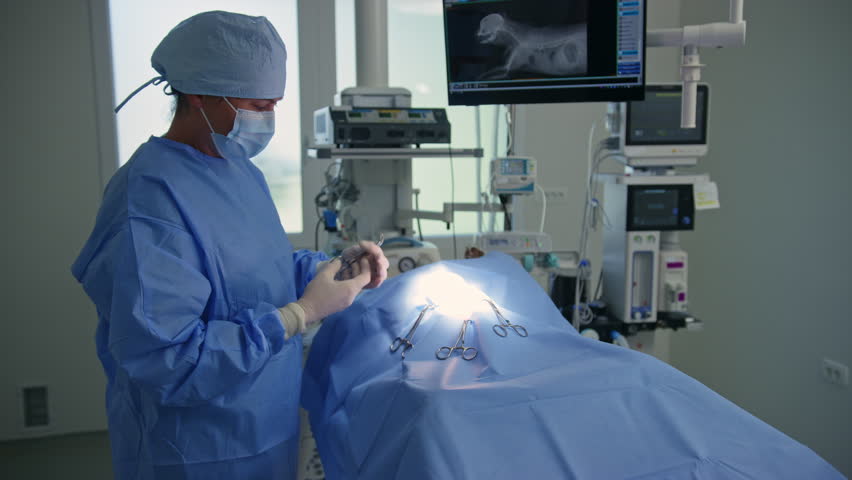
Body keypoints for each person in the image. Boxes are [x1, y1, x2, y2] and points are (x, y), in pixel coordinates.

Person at [71, 11, 388, 479]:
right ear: (197, 94)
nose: (268, 119)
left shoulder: (239, 171)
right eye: (257, 105)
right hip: (193, 450)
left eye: (275, 104)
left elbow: (256, 266)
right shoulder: (149, 200)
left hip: (265, 429)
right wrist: (300, 314)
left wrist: (331, 268)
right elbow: (168, 362)